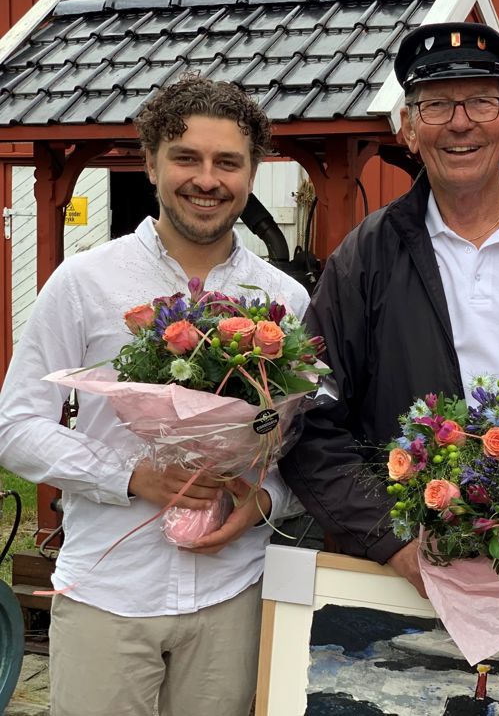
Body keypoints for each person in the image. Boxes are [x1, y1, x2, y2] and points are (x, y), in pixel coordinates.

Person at [279, 22, 499, 594]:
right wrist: (391, 542)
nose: (461, 122)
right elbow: (308, 419)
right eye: (437, 105)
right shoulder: (363, 259)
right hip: (401, 583)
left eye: (481, 101)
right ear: (409, 129)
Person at [0, 76, 309, 716]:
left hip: (234, 593)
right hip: (109, 591)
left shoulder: (284, 300)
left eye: (228, 162)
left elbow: (296, 445)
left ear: (253, 173)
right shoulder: (85, 282)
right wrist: (131, 476)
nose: (207, 179)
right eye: (186, 157)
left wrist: (263, 499)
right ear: (150, 163)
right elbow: (15, 425)